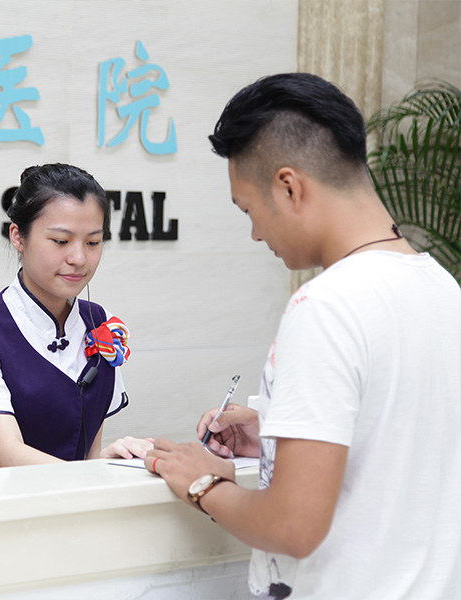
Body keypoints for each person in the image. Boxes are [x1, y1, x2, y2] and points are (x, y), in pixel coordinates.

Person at [145, 73, 460, 599]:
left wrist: (203, 481)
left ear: (289, 186)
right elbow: (400, 430)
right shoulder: (442, 288)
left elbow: (294, 526)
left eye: (248, 210)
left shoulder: (325, 306)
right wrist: (277, 428)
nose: (255, 234)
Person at [0, 163, 152, 471]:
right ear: (18, 236)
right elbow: (8, 456)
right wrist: (92, 471)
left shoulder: (102, 324)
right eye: (60, 241)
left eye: (93, 242)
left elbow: (87, 454)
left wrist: (115, 457)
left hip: (75, 510)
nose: (79, 258)